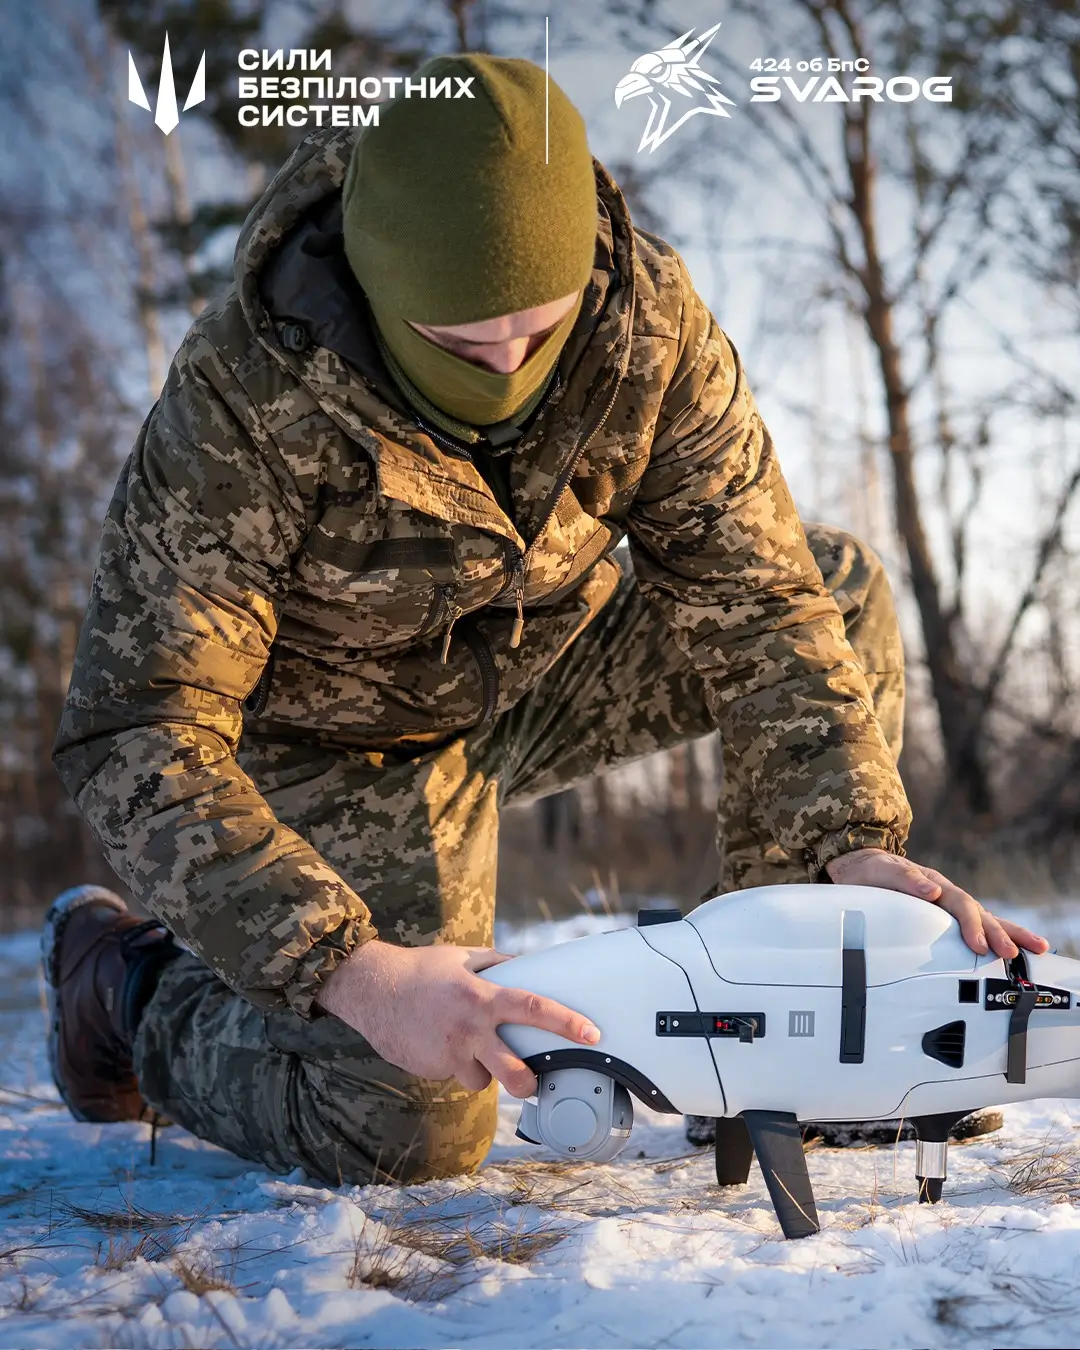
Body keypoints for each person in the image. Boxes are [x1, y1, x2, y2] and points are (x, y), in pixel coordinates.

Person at [44, 54, 1046, 1183]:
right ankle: (127, 987)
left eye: (542, 329)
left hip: (545, 670)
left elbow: (760, 596)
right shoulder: (241, 398)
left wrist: (844, 843)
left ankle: (768, 1040)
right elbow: (138, 729)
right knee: (414, 1115)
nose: (511, 366)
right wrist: (351, 969)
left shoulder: (646, 321)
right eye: (467, 345)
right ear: (381, 288)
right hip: (335, 746)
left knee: (840, 587)